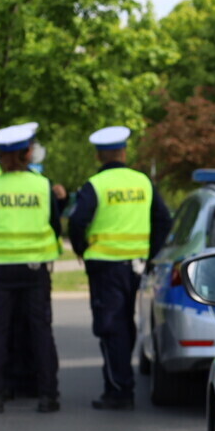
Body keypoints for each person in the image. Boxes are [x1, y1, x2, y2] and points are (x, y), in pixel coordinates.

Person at [67, 125, 171, 410]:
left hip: (105, 266)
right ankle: (122, 382)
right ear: (124, 152)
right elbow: (164, 220)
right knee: (125, 324)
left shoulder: (96, 185)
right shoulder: (143, 182)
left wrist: (81, 249)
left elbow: (77, 222)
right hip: (136, 266)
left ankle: (119, 390)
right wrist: (150, 255)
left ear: (99, 156)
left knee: (111, 327)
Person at [0, 122, 63, 415]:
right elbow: (56, 225)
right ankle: (48, 396)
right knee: (40, 331)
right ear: (26, 153)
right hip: (35, 269)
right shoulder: (42, 185)